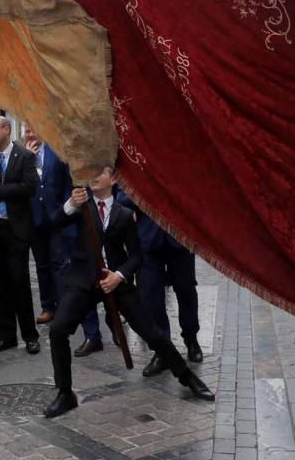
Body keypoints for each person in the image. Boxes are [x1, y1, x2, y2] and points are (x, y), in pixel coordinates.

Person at [44, 168, 214, 418]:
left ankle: (187, 378)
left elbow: (135, 256)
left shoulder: (125, 214)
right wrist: (70, 203)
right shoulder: (82, 207)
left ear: (113, 179)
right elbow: (54, 224)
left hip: (116, 281)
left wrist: (119, 276)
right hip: (83, 281)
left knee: (153, 333)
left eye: (100, 173)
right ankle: (65, 393)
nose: (94, 177)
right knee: (58, 330)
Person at [118, 190, 204, 373]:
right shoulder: (134, 161)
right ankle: (162, 350)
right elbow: (121, 196)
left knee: (186, 290)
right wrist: (143, 194)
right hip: (147, 240)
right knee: (151, 296)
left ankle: (191, 339)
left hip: (180, 237)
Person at [0, 117, 40, 354]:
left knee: (19, 283)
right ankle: (6, 336)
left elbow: (29, 187)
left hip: (16, 229)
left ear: (6, 129)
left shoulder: (24, 156)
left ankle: (30, 336)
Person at [23, 126, 73, 326]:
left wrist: (64, 210)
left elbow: (66, 183)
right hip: (35, 220)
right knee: (41, 266)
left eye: (34, 130)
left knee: (59, 264)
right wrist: (27, 159)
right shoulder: (23, 156)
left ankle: (62, 307)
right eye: (27, 131)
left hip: (56, 219)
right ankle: (47, 306)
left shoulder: (57, 152)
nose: (31, 135)